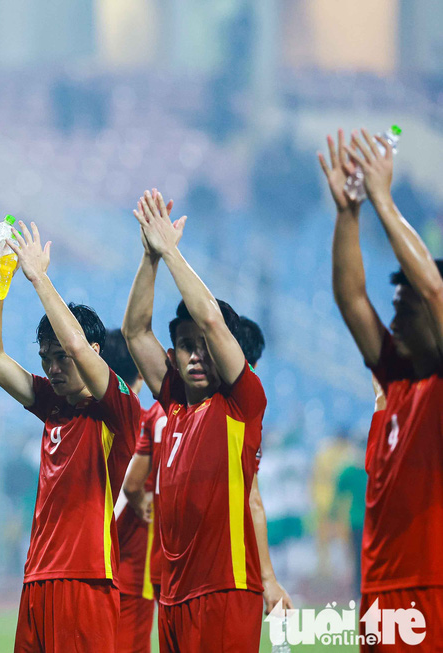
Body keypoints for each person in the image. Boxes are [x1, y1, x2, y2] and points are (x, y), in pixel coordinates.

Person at [122, 190, 291, 651]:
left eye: (204, 344)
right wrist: (149, 256)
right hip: (173, 594)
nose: (196, 355)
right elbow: (136, 331)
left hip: (225, 590)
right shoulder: (173, 401)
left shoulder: (242, 402)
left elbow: (214, 321)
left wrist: (172, 252)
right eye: (184, 345)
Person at [0, 221, 141, 652]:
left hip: (86, 580)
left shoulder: (117, 411)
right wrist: (1, 276)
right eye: (46, 358)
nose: (52, 368)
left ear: (94, 353)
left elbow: (81, 349)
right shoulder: (51, 404)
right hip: (36, 579)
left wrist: (39, 277)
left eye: (60, 357)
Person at [320, 127, 443, 650]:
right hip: (379, 593)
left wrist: (383, 200)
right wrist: (349, 213)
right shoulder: (396, 382)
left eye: (404, 303)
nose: (393, 310)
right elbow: (351, 299)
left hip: (428, 591)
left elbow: (434, 288)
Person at [106, 329, 165, 653]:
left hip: (94, 564)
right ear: (141, 370)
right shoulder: (150, 425)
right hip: (133, 567)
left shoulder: (89, 420)